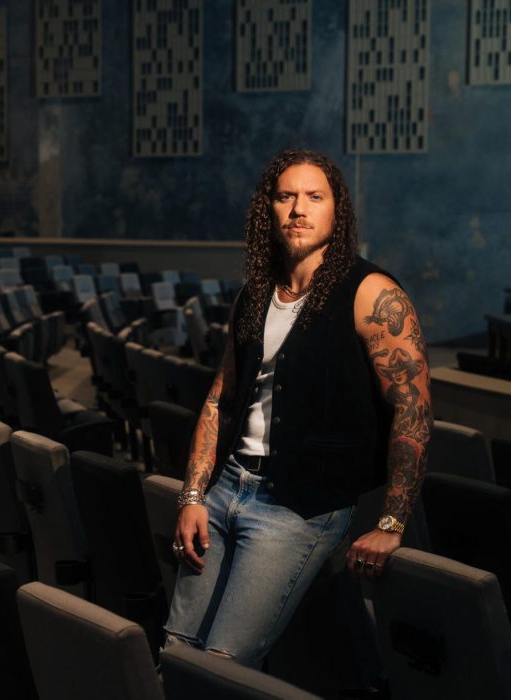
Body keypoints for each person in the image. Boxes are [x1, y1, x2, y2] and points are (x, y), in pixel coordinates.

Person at [164, 148, 433, 669]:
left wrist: (392, 521)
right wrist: (193, 495)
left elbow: (413, 412)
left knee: (223, 664)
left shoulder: (373, 294)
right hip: (225, 490)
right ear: (268, 209)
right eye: (286, 196)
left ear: (337, 210)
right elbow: (220, 399)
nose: (299, 209)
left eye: (314, 196)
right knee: (176, 651)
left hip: (297, 509)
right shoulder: (255, 294)